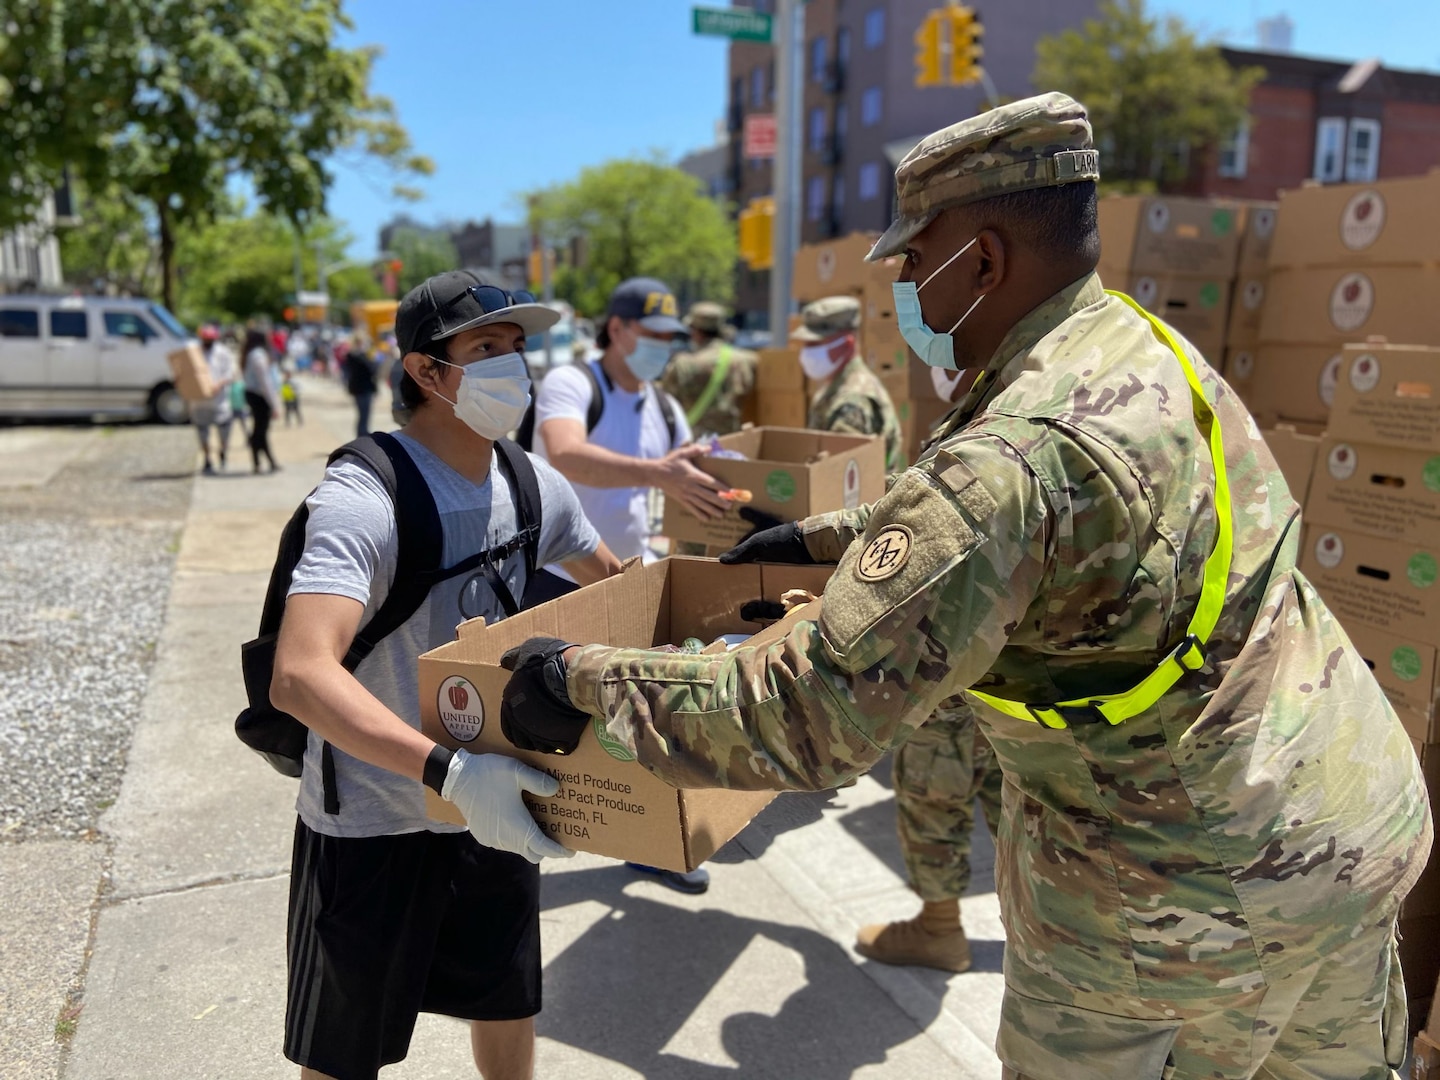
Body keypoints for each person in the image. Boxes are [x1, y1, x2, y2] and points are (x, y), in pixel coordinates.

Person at [496, 93, 1432, 1080]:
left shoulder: (1008, 454)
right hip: (1347, 828)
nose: (903, 285)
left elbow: (804, 716)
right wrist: (821, 539)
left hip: (1172, 899)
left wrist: (583, 677)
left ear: (982, 260)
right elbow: (1045, 521)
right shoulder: (1141, 352)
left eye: (911, 257)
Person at [270, 270, 622, 1080]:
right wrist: (450, 772)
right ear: (426, 371)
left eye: (517, 348)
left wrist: (705, 611)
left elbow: (615, 586)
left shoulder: (532, 482)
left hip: (495, 800)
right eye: (486, 349)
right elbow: (299, 673)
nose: (515, 368)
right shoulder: (366, 496)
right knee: (343, 1046)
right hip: (374, 816)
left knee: (507, 1001)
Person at [530, 276, 728, 895]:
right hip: (554, 578)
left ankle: (651, 846)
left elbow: (669, 481)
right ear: (617, 330)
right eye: (656, 336)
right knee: (540, 720)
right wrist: (658, 472)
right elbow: (565, 454)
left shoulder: (663, 405)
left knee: (644, 715)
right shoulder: (572, 384)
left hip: (626, 579)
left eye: (674, 339)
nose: (666, 348)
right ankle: (521, 844)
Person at [792, 296, 902, 470]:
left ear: (847, 344)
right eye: (806, 344)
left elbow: (839, 477)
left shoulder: (851, 402)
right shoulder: (838, 386)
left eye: (816, 344)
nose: (807, 351)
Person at [660, 301, 757, 438]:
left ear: (695, 331)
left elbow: (664, 406)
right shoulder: (747, 360)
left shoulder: (683, 364)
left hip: (693, 446)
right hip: (732, 443)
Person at [191, 324, 237, 474]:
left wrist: (220, 384)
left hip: (219, 400)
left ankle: (222, 453)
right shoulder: (193, 351)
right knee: (202, 432)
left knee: (224, 430)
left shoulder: (222, 352)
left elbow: (231, 372)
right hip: (199, 401)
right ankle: (207, 459)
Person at [241, 329, 281, 474]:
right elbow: (265, 382)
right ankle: (261, 462)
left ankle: (265, 462)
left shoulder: (252, 354)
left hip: (255, 395)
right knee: (260, 431)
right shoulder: (258, 355)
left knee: (260, 431)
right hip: (259, 397)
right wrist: (274, 404)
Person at [342, 336, 380, 437]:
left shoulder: (352, 356)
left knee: (363, 413)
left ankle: (362, 432)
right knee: (364, 413)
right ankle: (362, 433)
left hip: (359, 388)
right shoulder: (359, 356)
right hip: (363, 388)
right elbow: (371, 368)